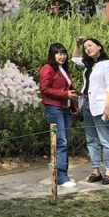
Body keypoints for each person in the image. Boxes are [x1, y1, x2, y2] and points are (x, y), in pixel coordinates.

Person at [74, 37, 109, 184]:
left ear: (99, 47)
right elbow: (75, 58)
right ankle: (95, 170)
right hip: (87, 104)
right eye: (86, 47)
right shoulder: (89, 64)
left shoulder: (108, 65)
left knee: (106, 139)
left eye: (90, 45)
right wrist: (78, 45)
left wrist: (107, 107)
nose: (88, 48)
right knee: (91, 139)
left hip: (101, 106)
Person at [38, 43, 78, 190]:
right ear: (52, 55)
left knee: (66, 141)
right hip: (54, 108)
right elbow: (44, 89)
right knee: (61, 141)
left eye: (63, 53)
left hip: (65, 108)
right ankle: (60, 177)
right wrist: (65, 94)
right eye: (58, 53)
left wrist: (74, 105)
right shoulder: (47, 68)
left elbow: (68, 89)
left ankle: (63, 174)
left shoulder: (63, 69)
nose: (62, 56)